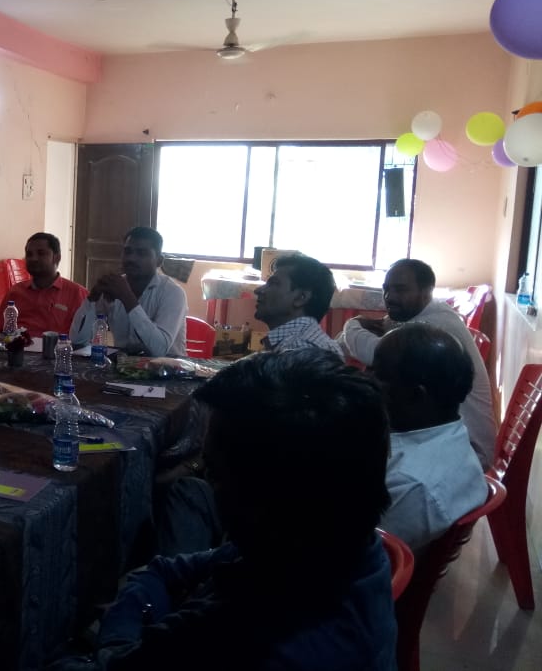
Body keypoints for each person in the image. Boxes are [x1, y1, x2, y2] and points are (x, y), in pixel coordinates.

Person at [83, 350, 396, 670]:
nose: (208, 483)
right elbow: (167, 570)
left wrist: (119, 630)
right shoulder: (329, 543)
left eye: (214, 473)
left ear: (261, 502)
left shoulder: (243, 640)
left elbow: (119, 661)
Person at [337, 258, 496, 466]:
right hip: (444, 435)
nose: (389, 297)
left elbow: (376, 352)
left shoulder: (434, 324)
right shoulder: (423, 312)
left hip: (467, 450)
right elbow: (355, 340)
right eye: (386, 289)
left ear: (427, 292)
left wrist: (351, 324)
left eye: (400, 289)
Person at [373, 323, 489, 553]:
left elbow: (351, 556)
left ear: (416, 396)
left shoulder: (412, 487)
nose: (366, 380)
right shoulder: (450, 435)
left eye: (377, 375)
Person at [70, 227, 188, 357]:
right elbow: (77, 341)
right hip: (123, 366)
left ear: (159, 261)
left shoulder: (173, 293)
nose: (131, 258)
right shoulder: (114, 286)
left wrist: (127, 298)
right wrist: (92, 298)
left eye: (141, 253)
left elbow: (159, 350)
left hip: (167, 367)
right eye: (127, 252)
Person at [0, 232, 88, 335]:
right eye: (29, 254)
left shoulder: (77, 294)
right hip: (18, 345)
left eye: (41, 253)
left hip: (58, 345)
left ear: (57, 258)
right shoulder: (15, 292)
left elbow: (87, 336)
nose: (34, 259)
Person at [253, 252, 343, 357]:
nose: (258, 290)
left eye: (274, 283)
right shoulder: (309, 340)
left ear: (300, 298)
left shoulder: (296, 348)